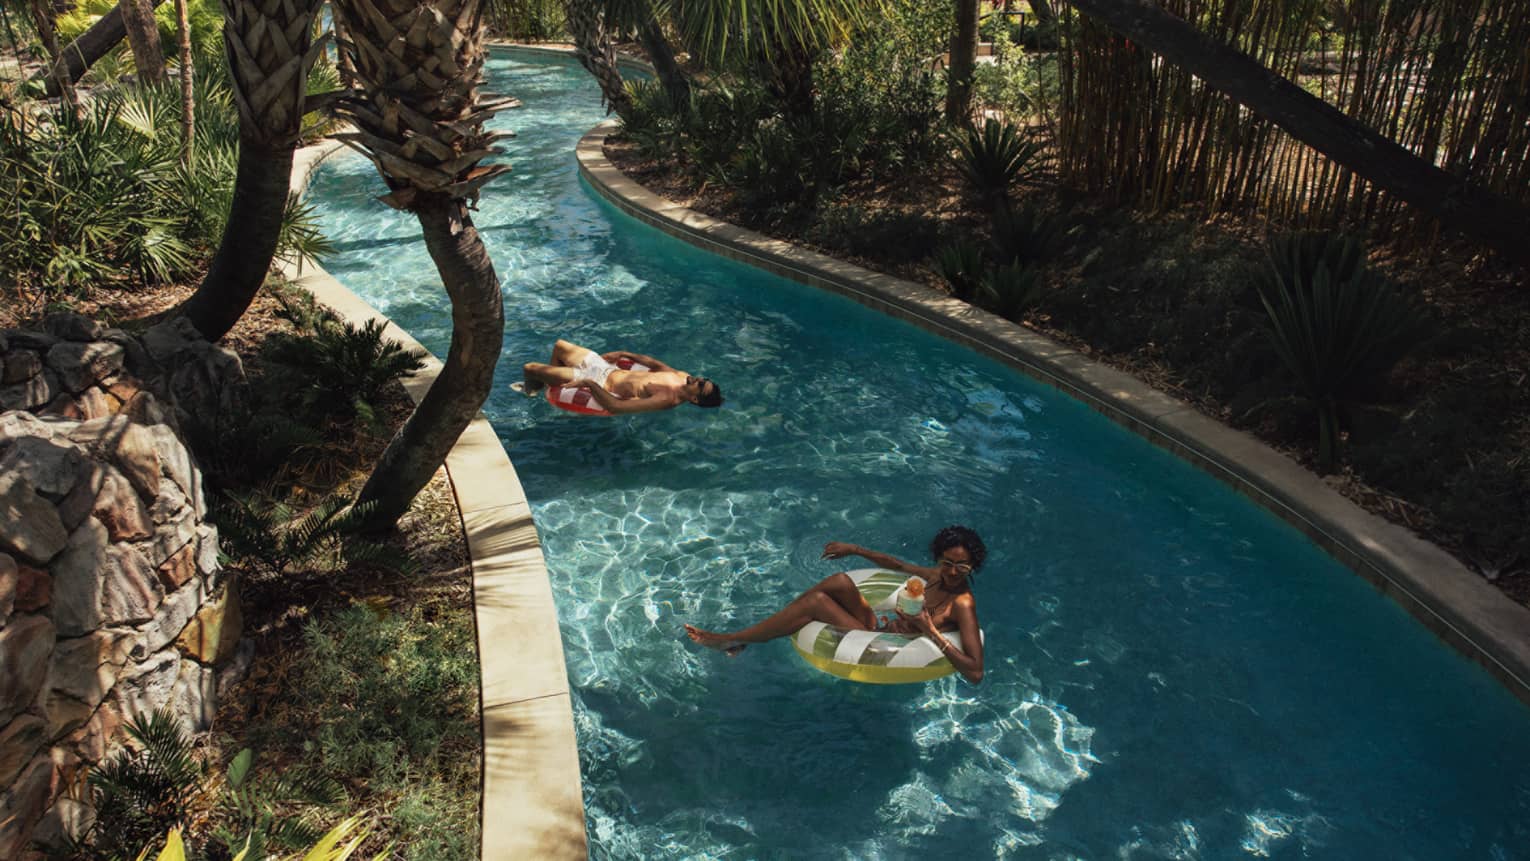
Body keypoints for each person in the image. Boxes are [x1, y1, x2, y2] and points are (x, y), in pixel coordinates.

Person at [684, 526, 987, 684]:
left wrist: (930, 630)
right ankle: (743, 639)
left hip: (883, 644)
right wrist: (854, 549)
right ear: (938, 559)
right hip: (879, 627)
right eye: (947, 563)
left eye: (962, 567)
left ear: (973, 567)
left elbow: (975, 673)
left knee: (815, 603)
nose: (952, 572)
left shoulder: (962, 604)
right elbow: (896, 564)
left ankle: (734, 639)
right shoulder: (936, 576)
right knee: (841, 581)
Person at [517, 339, 723, 414]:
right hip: (606, 368)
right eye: (705, 378)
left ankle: (530, 392)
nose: (700, 379)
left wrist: (587, 382)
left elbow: (617, 407)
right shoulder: (682, 376)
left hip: (599, 381)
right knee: (560, 345)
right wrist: (624, 354)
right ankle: (553, 389)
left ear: (695, 399)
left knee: (530, 368)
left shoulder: (666, 399)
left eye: (702, 384)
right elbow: (655, 364)